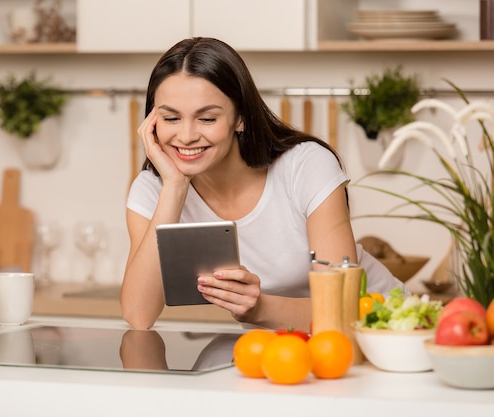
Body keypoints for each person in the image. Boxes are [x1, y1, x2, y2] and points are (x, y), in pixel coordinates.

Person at [121, 37, 406, 331]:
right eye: (171, 118)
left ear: (240, 118)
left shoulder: (305, 166)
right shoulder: (153, 190)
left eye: (206, 118)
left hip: (382, 329)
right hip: (288, 350)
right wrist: (175, 188)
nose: (187, 135)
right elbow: (138, 316)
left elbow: (341, 309)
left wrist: (259, 308)